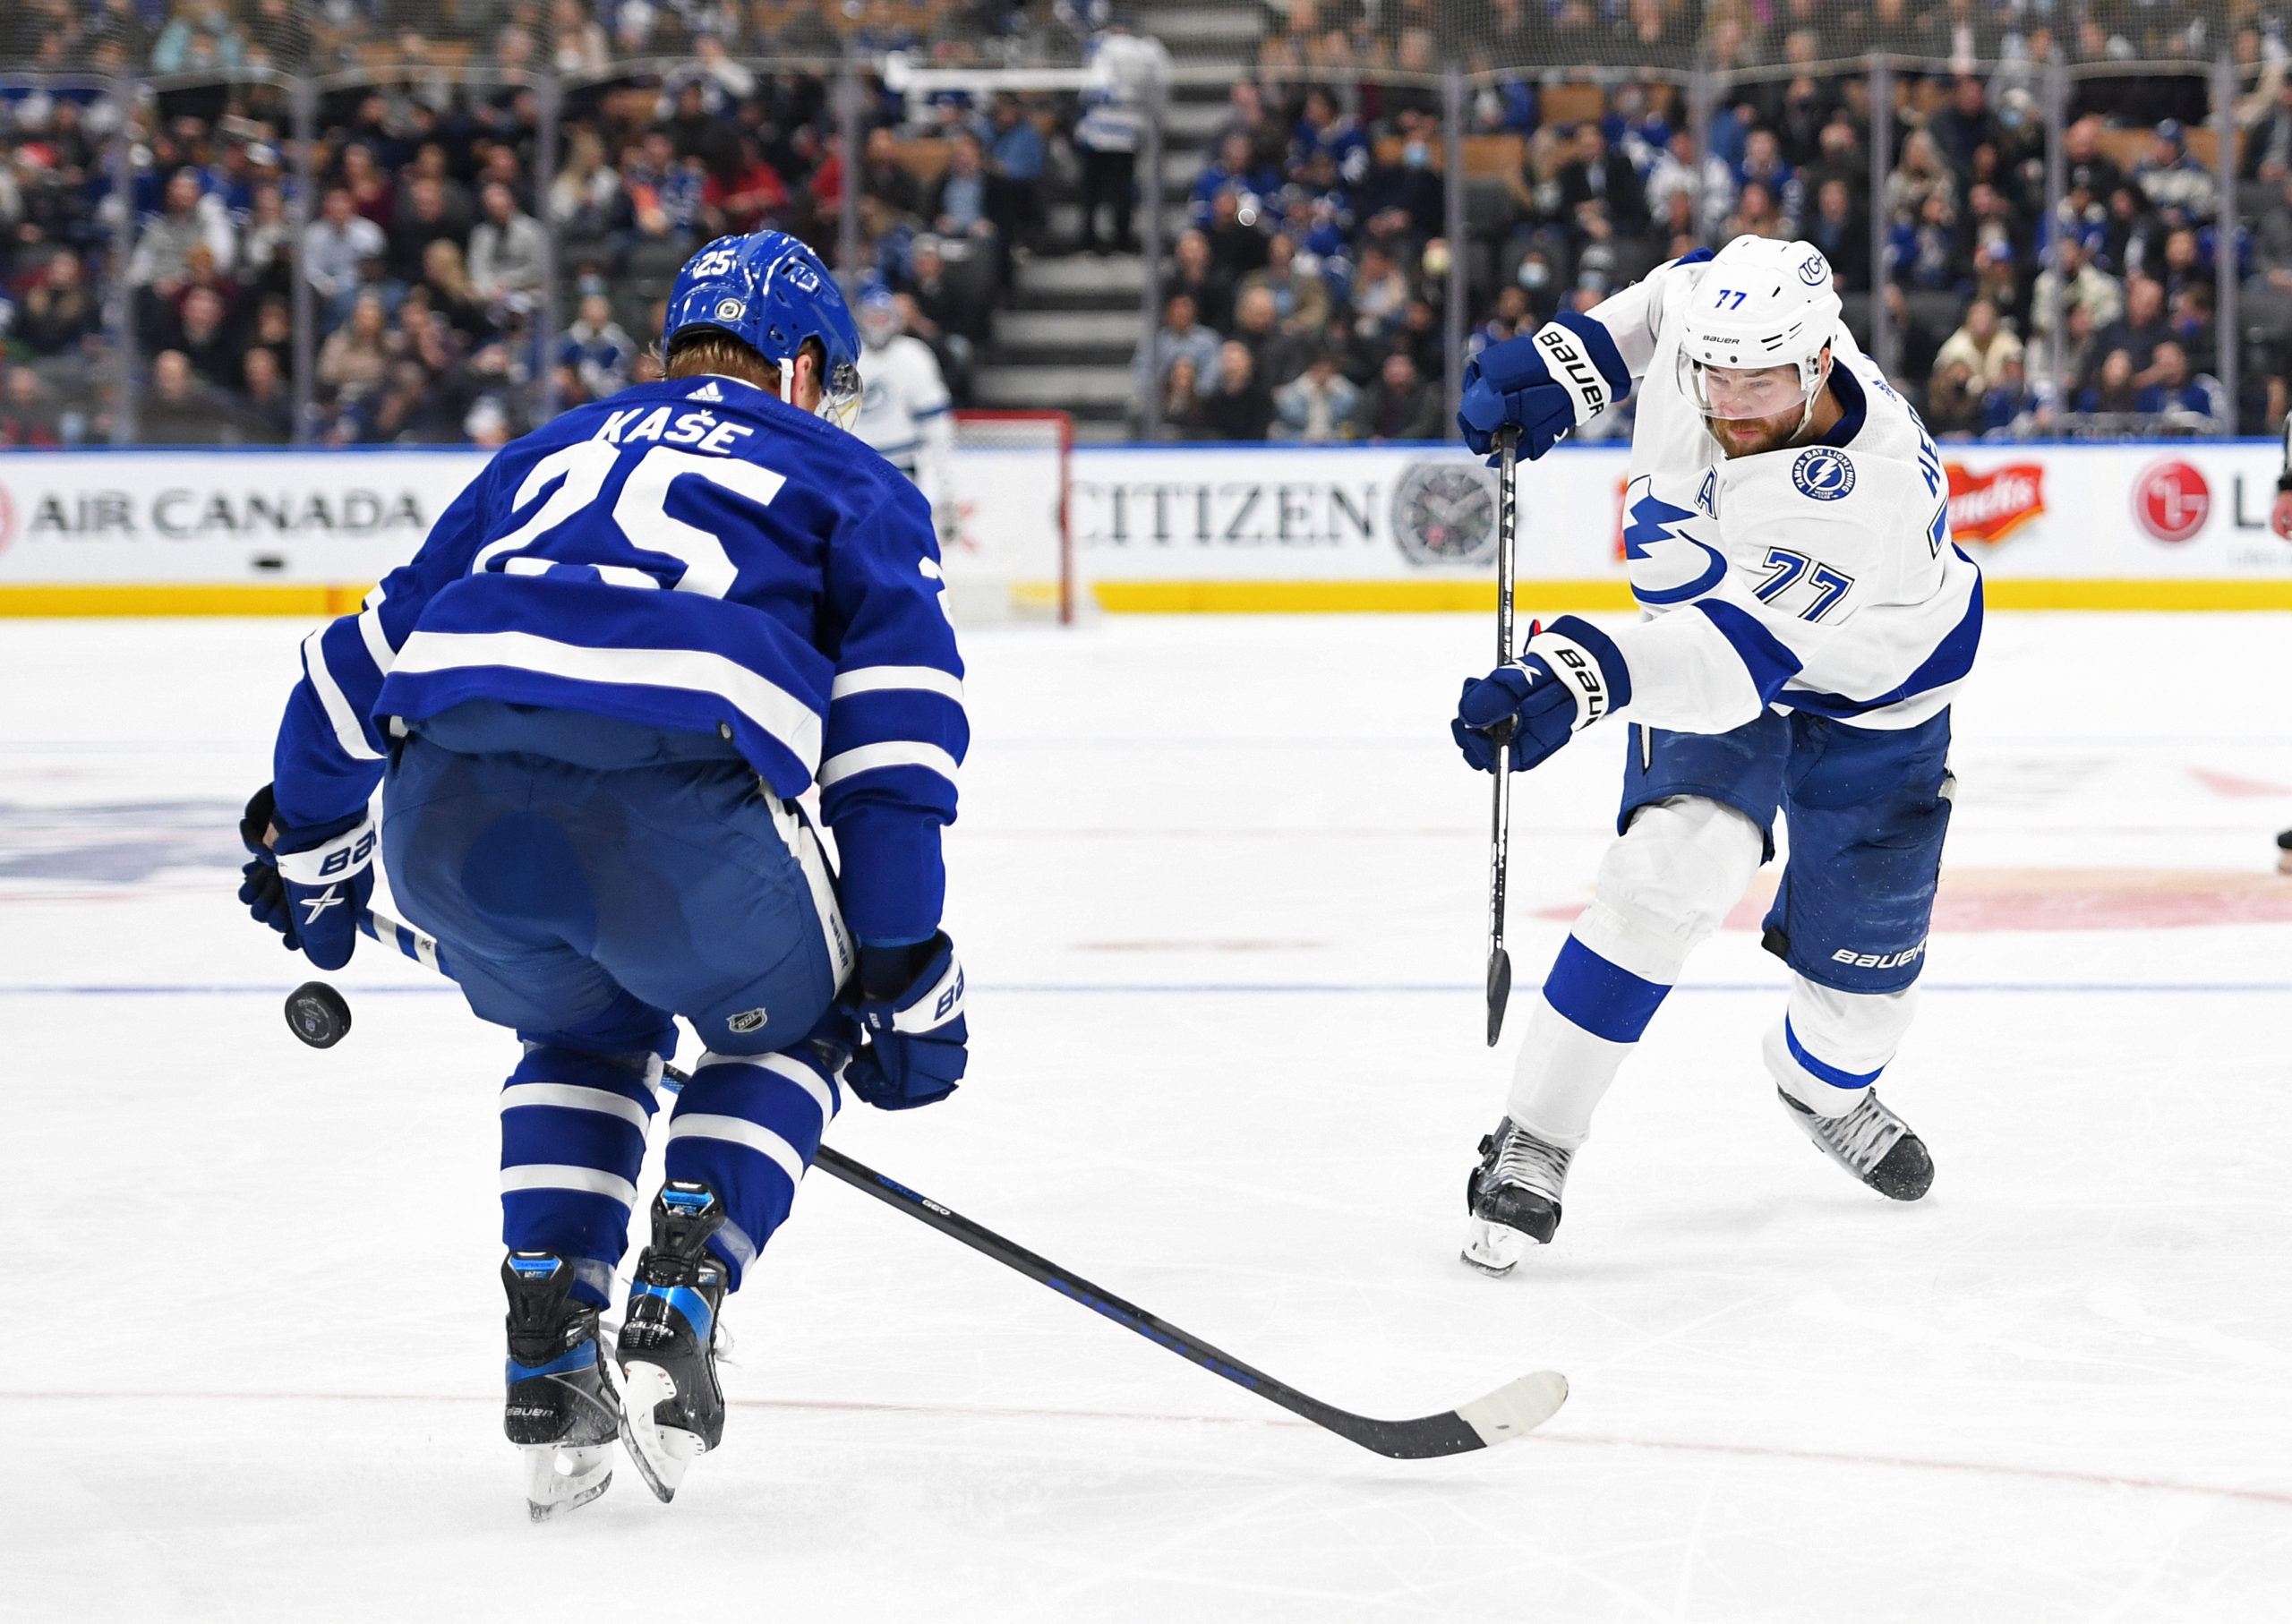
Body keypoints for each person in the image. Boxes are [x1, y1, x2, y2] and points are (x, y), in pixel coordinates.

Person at [235, 231, 970, 1517]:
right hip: (678, 817)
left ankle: (551, 1342)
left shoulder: (541, 453)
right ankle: (688, 1272)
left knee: (578, 1037)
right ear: (802, 370)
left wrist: (312, 859)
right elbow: (893, 746)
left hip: (449, 831)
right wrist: (905, 970)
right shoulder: (848, 478)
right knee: (800, 1025)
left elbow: (342, 676)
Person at [1450, 235, 1980, 1274]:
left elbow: (1729, 664)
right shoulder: (1715, 325)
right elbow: (1675, 288)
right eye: (1717, 376)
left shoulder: (1855, 495)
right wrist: (1570, 362)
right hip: (1711, 651)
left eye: (1766, 382)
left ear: (1822, 362)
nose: (1733, 405)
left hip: (1873, 698)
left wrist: (1576, 671)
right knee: (1663, 878)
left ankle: (1820, 1087)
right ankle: (1536, 1136)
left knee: (1865, 1003)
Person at [851, 282, 958, 541]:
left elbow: (936, 423)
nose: (877, 322)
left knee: (898, 542)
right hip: (850, 467)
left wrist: (944, 484)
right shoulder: (845, 355)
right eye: (871, 315)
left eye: (883, 315)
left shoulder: (913, 356)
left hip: (901, 469)